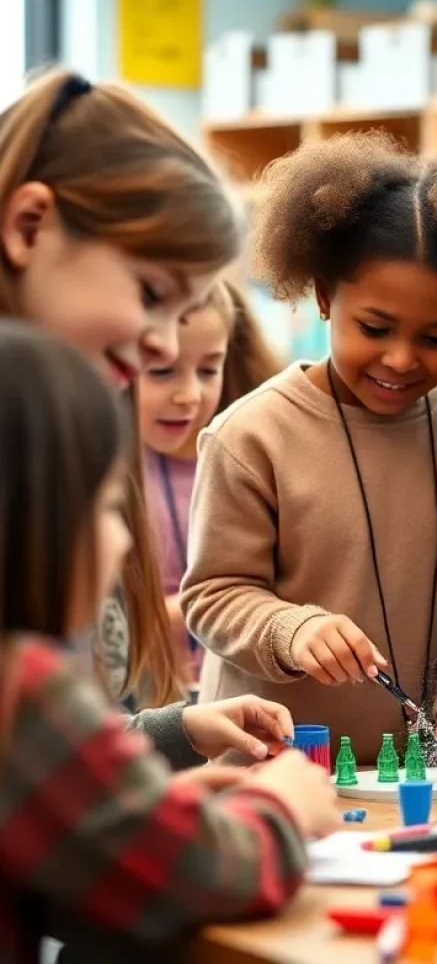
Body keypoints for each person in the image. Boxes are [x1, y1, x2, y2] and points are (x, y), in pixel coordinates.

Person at [181, 129, 437, 764]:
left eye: (435, 337)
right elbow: (213, 595)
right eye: (374, 328)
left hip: (425, 778)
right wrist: (295, 629)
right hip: (272, 767)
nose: (401, 358)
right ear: (323, 296)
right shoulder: (249, 436)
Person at [0, 320, 339, 962]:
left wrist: (179, 732)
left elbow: (67, 793)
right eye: (104, 512)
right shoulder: (20, 688)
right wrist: (280, 807)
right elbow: (199, 876)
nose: (124, 541)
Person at [0, 67, 293, 767]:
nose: (163, 342)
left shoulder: (59, 424)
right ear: (29, 225)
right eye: (152, 293)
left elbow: (45, 758)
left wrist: (175, 734)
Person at [140, 277, 280, 689]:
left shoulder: (253, 458)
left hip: (242, 689)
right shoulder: (109, 476)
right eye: (163, 371)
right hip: (145, 700)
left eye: (207, 370)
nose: (189, 395)